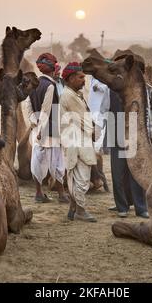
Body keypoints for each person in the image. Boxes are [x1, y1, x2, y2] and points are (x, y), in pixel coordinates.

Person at [28, 53, 69, 204]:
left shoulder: (35, 84)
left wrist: (35, 124)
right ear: (53, 69)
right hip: (50, 130)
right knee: (57, 162)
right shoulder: (50, 86)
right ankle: (62, 195)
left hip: (37, 129)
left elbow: (29, 107)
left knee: (37, 161)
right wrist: (41, 130)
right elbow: (46, 110)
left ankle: (38, 193)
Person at [60, 62, 98, 222]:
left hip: (73, 140)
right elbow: (84, 120)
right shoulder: (70, 96)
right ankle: (80, 211)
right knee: (82, 178)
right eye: (80, 77)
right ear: (70, 78)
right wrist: (93, 131)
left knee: (75, 176)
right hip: (78, 141)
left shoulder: (72, 94)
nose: (84, 80)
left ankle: (73, 209)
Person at [107, 89, 149, 219]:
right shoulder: (110, 90)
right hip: (115, 132)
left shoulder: (135, 89)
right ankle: (122, 207)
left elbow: (144, 113)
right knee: (117, 174)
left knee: (135, 174)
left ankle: (140, 208)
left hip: (132, 133)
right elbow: (101, 109)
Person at [88, 76, 110, 153]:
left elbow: (107, 87)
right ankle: (97, 148)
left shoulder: (103, 77)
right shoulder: (92, 78)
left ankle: (100, 148)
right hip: (93, 108)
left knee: (100, 129)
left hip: (101, 108)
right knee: (94, 129)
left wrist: (98, 87)